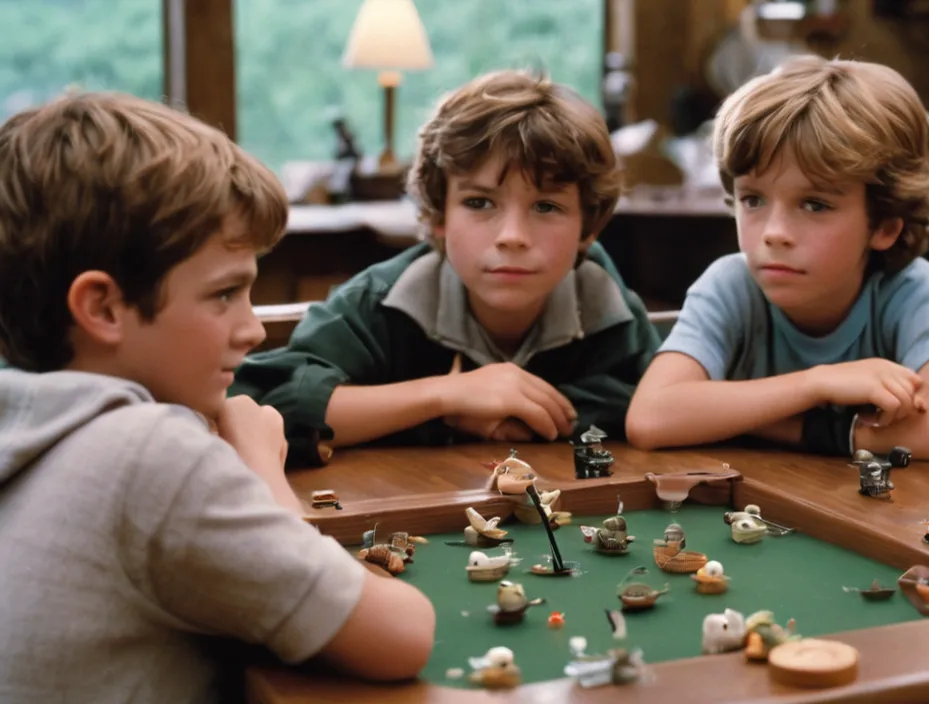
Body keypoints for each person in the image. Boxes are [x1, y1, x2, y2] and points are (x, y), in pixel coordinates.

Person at [0, 93, 435, 702]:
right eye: (225, 294)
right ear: (102, 308)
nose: (252, 330)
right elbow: (401, 635)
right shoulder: (146, 455)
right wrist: (262, 466)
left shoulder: (28, 423)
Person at [232, 70, 660, 467]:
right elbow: (267, 406)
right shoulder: (385, 298)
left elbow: (647, 403)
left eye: (546, 206)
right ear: (439, 215)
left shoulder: (605, 301)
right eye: (479, 203)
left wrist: (507, 415)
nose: (512, 235)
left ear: (587, 227)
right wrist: (446, 399)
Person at [626, 55, 929, 459]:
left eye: (814, 205)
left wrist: (785, 425)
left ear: (884, 226)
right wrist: (817, 384)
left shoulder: (909, 290)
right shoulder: (731, 285)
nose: (774, 233)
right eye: (753, 199)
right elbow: (650, 417)